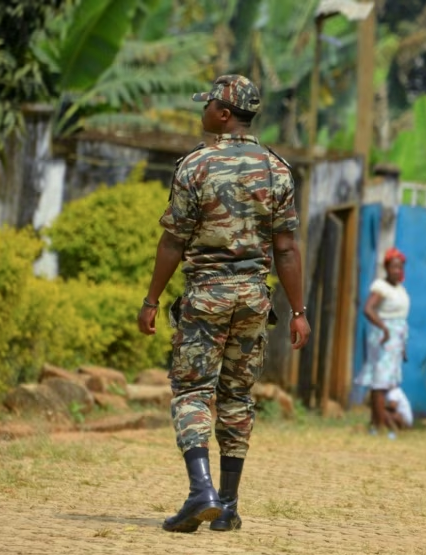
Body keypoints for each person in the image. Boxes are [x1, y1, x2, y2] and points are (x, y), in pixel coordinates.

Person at [137, 74, 311, 534]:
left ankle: (201, 491)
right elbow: (287, 248)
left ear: (224, 113)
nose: (204, 111)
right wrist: (298, 312)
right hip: (254, 298)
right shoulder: (277, 169)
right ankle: (228, 505)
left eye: (208, 104)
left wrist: (151, 299)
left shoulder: (195, 165)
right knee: (237, 396)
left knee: (192, 392)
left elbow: (173, 241)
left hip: (207, 296)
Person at [358, 247, 410, 440]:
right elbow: (368, 309)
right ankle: (379, 426)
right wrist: (384, 328)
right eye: (394, 267)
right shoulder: (381, 286)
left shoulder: (400, 289)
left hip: (396, 341)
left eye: (400, 267)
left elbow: (401, 318)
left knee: (387, 382)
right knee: (379, 382)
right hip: (383, 339)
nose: (397, 271)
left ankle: (375, 423)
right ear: (386, 268)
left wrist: (403, 346)